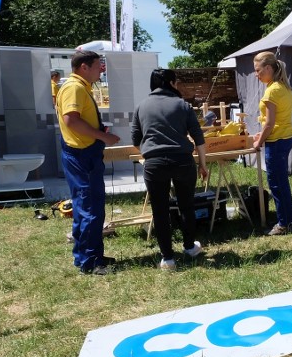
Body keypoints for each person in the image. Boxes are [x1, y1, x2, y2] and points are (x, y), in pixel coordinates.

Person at [131, 69, 209, 271]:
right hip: (183, 161)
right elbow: (198, 138)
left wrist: (151, 152)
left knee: (160, 210)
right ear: (171, 83)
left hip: (154, 163)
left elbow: (135, 140)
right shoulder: (182, 105)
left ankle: (168, 259)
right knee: (186, 206)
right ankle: (190, 247)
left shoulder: (141, 106)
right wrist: (203, 164)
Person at [55, 50, 120, 274]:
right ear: (84, 67)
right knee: (90, 208)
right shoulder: (74, 87)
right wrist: (103, 136)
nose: (101, 70)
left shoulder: (80, 86)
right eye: (97, 65)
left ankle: (86, 256)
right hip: (82, 155)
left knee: (85, 205)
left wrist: (98, 130)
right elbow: (71, 120)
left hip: (81, 153)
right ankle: (91, 263)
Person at [252, 51, 292, 235]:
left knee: (276, 183)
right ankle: (289, 218)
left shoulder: (272, 90)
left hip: (276, 141)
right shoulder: (283, 87)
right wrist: (262, 132)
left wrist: (259, 142)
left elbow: (270, 123)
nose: (256, 74)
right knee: (282, 181)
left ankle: (283, 224)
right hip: (285, 137)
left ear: (268, 68)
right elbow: (272, 121)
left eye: (258, 70)